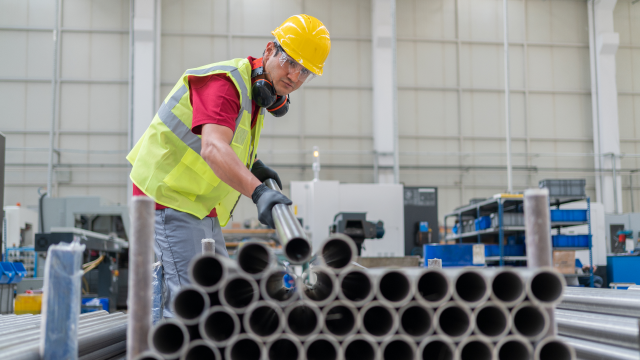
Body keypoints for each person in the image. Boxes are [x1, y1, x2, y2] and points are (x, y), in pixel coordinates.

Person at [126, 14, 331, 317]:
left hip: (199, 206)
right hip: (167, 200)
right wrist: (259, 191)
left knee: (219, 301)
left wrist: (254, 165)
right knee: (189, 309)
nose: (294, 77)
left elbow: (228, 141)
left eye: (305, 72)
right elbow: (212, 147)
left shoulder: (255, 97)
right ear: (269, 50)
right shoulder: (225, 84)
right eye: (290, 62)